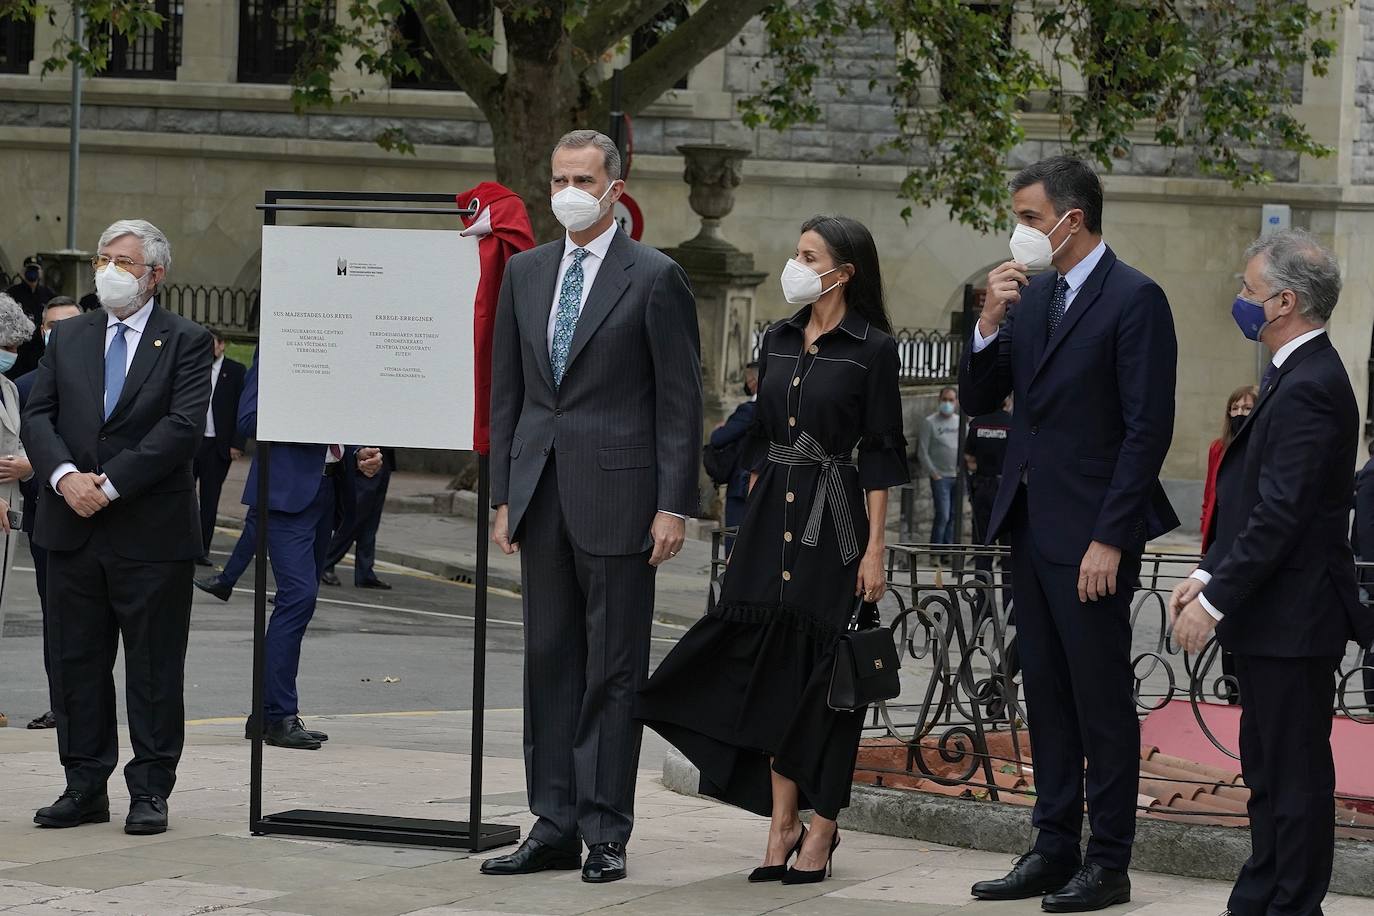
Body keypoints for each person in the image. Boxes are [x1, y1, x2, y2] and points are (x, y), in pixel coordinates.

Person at [639, 215, 910, 886]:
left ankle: (820, 827)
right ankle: (780, 821)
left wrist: (874, 549)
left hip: (835, 524)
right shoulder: (779, 338)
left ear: (843, 272)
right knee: (761, 672)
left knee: (827, 685)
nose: (796, 263)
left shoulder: (873, 348)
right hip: (767, 526)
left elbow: (880, 456)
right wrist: (746, 461)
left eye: (809, 255)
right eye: (796, 251)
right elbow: (759, 424)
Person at [482, 130, 702, 884]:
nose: (568, 189)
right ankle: (553, 822)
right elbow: (508, 393)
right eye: (558, 176)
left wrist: (674, 505)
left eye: (582, 177)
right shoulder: (526, 272)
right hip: (540, 495)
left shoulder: (655, 277)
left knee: (612, 670)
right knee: (548, 662)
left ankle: (606, 828)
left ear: (615, 185)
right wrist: (505, 495)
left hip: (621, 496)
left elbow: (679, 404)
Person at [959, 156, 1179, 911]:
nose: (1017, 231)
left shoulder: (1135, 298)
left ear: (1070, 219)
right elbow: (979, 396)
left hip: (1094, 536)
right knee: (1046, 695)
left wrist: (1111, 538)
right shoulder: (1031, 293)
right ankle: (1052, 847)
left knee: (1099, 700)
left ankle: (1108, 862)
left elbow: (1147, 430)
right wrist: (987, 321)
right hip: (1028, 518)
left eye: (1026, 216)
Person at [1170, 229, 1374, 916]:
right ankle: (1262, 891)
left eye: (1250, 290)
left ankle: (1292, 902)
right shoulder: (1288, 372)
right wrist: (1205, 574)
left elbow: (1283, 515)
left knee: (1294, 777)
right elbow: (1251, 500)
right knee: (1265, 771)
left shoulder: (1312, 383)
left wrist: (1216, 599)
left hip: (1296, 618)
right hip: (1272, 618)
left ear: (1285, 301)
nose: (1241, 299)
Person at [21, 220, 213, 836]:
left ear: (155, 275)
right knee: (75, 662)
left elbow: (181, 429)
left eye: (124, 262)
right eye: (105, 258)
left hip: (149, 533)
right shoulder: (71, 336)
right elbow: (38, 414)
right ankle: (83, 785)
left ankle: (151, 788)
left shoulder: (185, 339)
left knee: (154, 667)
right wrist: (64, 477)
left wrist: (107, 483)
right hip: (69, 525)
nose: (109, 270)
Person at [237, 347, 382, 750]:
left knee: (301, 601)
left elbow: (340, 433)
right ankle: (280, 714)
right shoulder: (278, 351)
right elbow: (248, 419)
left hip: (327, 492)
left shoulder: (338, 357)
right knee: (297, 598)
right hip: (286, 497)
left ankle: (264, 713)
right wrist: (311, 421)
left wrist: (358, 454)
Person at [13, 296, 82, 731]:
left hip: (97, 510)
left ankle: (88, 704)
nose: (61, 333)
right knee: (55, 614)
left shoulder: (108, 379)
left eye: (70, 324)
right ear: (42, 332)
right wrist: (29, 469)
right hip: (46, 517)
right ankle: (62, 703)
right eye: (53, 325)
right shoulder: (23, 387)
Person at [1199, 384, 1256, 705]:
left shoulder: (1261, 448)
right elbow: (1210, 497)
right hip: (1219, 547)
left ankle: (1245, 690)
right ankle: (1231, 690)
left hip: (1246, 546)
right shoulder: (1218, 448)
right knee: (1224, 621)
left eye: (1247, 409)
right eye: (1234, 409)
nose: (1239, 414)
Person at [0, 294, 36, 731]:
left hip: (10, 505)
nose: (11, 354)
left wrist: (29, 463)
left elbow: (19, 444)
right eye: (5, 344)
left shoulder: (9, 387)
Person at [193, 328, 247, 566]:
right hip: (192, 444)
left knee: (210, 498)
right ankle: (179, 544)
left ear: (222, 345)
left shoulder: (235, 371)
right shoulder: (193, 367)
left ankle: (201, 549)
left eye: (210, 345)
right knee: (182, 496)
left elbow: (241, 409)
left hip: (218, 445)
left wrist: (237, 443)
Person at [321, 447, 395, 590]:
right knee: (353, 519)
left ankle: (365, 572)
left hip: (384, 456)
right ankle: (325, 562)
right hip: (364, 454)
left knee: (371, 522)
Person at [964, 395, 1013, 612]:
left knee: (983, 548)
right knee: (1009, 551)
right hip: (1007, 491)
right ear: (1007, 400)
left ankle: (982, 607)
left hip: (983, 487)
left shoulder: (977, 423)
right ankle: (1011, 609)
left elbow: (969, 457)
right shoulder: (1012, 423)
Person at [706, 361, 758, 553]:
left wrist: (721, 428)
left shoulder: (750, 410)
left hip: (741, 485)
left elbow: (718, 438)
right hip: (764, 485)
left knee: (734, 545)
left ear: (753, 380)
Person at [916, 387, 960, 555]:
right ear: (939, 400)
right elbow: (923, 451)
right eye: (945, 400)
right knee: (943, 515)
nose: (947, 403)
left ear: (956, 402)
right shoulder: (930, 422)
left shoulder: (960, 422)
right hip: (941, 477)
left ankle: (947, 552)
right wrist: (934, 473)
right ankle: (936, 552)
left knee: (953, 516)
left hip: (957, 476)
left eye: (951, 400)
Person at [5, 255, 55, 380]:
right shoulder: (12, 293)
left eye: (35, 269)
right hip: (20, 349)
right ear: (22, 272)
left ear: (41, 273)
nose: (32, 273)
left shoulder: (48, 294)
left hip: (40, 350)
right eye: (29, 269)